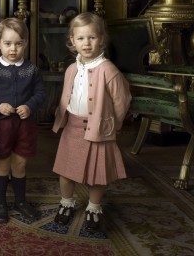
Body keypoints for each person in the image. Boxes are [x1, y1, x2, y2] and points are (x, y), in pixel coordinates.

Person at [52, 12, 132, 231]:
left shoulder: (109, 70)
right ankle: (66, 203)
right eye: (80, 38)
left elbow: (122, 100)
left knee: (98, 174)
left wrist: (111, 125)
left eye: (92, 38)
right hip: (73, 126)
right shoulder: (71, 69)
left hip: (99, 129)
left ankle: (94, 207)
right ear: (72, 41)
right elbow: (67, 96)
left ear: (102, 39)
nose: (86, 43)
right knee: (65, 170)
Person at [0, 17, 46, 224]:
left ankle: (20, 201)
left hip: (25, 126)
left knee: (20, 164)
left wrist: (30, 105)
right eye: (7, 44)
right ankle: (0, 203)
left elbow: (41, 92)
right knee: (2, 164)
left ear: (25, 43)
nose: (13, 49)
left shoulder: (31, 69)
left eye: (18, 43)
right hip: (1, 125)